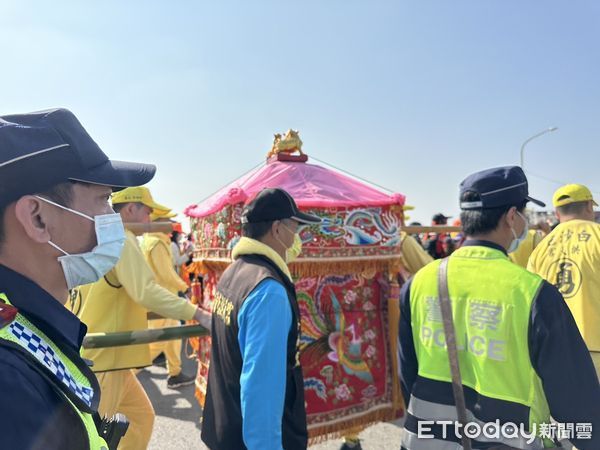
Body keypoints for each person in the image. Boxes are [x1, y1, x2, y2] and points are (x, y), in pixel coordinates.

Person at [399, 166, 600, 449]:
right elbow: (577, 403)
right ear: (510, 217)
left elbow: (408, 376)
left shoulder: (419, 283)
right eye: (523, 212)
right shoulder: (532, 293)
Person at [0, 108, 155, 449]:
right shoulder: (10, 383)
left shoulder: (26, 324)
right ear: (37, 218)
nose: (111, 218)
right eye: (103, 200)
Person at [75, 185, 211, 450]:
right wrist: (197, 313)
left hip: (110, 354)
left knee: (141, 420)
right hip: (105, 356)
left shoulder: (99, 235)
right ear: (131, 209)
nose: (150, 219)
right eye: (147, 212)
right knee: (92, 438)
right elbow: (145, 290)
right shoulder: (121, 239)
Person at [201, 188, 321, 450]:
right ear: (278, 229)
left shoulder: (234, 273)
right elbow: (261, 390)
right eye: (295, 228)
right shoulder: (269, 292)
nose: (297, 238)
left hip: (227, 428)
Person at [528, 183, 600, 379]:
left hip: (556, 351)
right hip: (595, 349)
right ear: (588, 206)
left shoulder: (541, 249)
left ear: (557, 214)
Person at [142, 209, 195, 388]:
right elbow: (167, 274)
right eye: (167, 220)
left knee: (174, 337)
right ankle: (127, 370)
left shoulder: (154, 241)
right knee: (159, 341)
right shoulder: (156, 243)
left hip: (165, 299)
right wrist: (185, 287)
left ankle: (175, 373)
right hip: (162, 299)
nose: (171, 224)